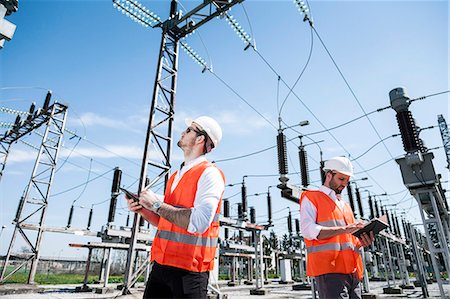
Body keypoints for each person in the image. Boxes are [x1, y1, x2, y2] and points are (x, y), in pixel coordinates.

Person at [126, 116, 225, 299]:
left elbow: (199, 222)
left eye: (189, 130)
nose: (183, 132)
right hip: (161, 266)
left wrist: (155, 204)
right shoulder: (175, 176)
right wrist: (143, 209)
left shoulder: (210, 174)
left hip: (189, 273)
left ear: (200, 139)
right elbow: (166, 222)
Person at [299, 156, 374, 299]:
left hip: (353, 272)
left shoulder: (345, 206)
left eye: (347, 180)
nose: (344, 184)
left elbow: (350, 240)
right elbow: (308, 231)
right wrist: (346, 229)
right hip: (330, 272)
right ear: (329, 175)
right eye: (341, 179)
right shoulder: (311, 197)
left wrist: (363, 241)